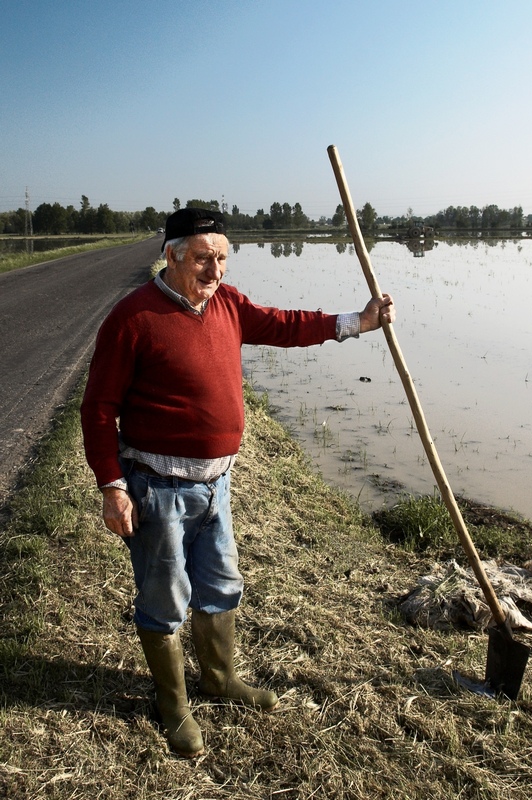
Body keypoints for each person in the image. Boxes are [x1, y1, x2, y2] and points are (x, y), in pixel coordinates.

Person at [81, 207, 395, 758]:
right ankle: (172, 706)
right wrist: (112, 484)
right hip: (157, 489)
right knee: (165, 597)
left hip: (215, 486)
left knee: (221, 584)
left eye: (223, 258)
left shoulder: (228, 305)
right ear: (172, 254)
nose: (215, 270)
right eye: (203, 257)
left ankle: (219, 679)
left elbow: (284, 324)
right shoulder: (132, 317)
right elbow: (98, 408)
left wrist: (356, 322)